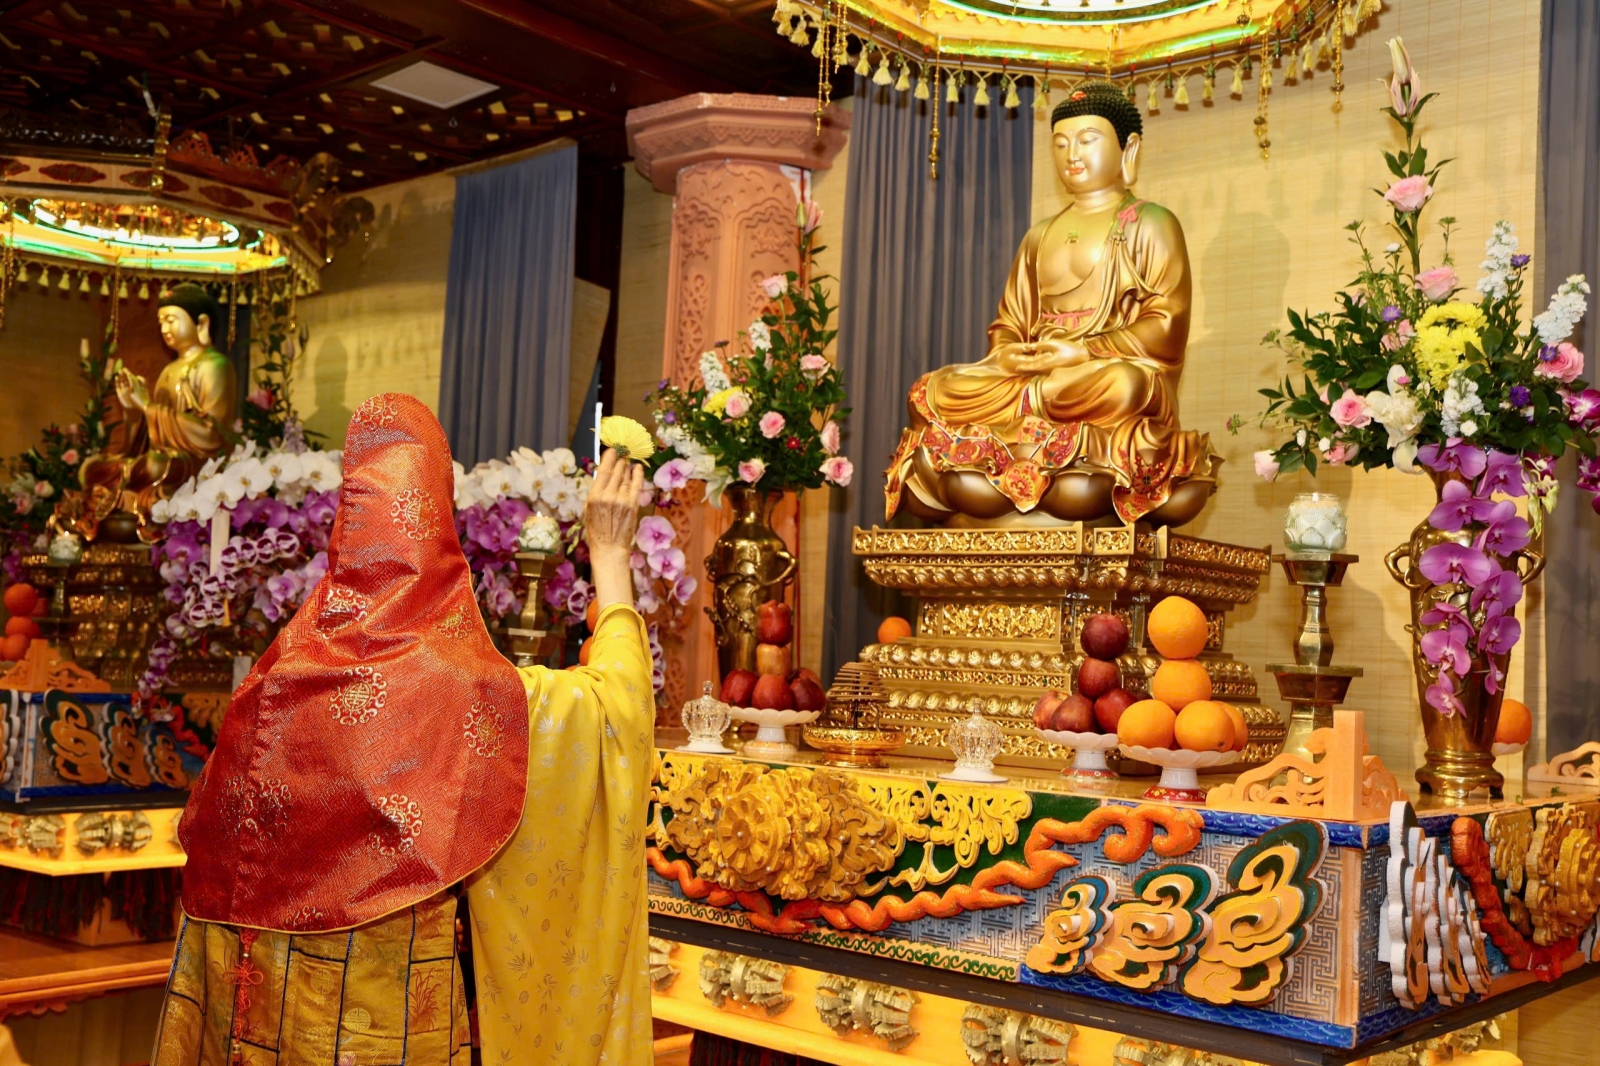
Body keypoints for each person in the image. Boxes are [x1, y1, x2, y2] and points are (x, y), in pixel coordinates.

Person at [151, 392, 653, 1066]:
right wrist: (611, 556)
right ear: (441, 524)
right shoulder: (469, 694)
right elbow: (615, 710)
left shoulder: (270, 681)